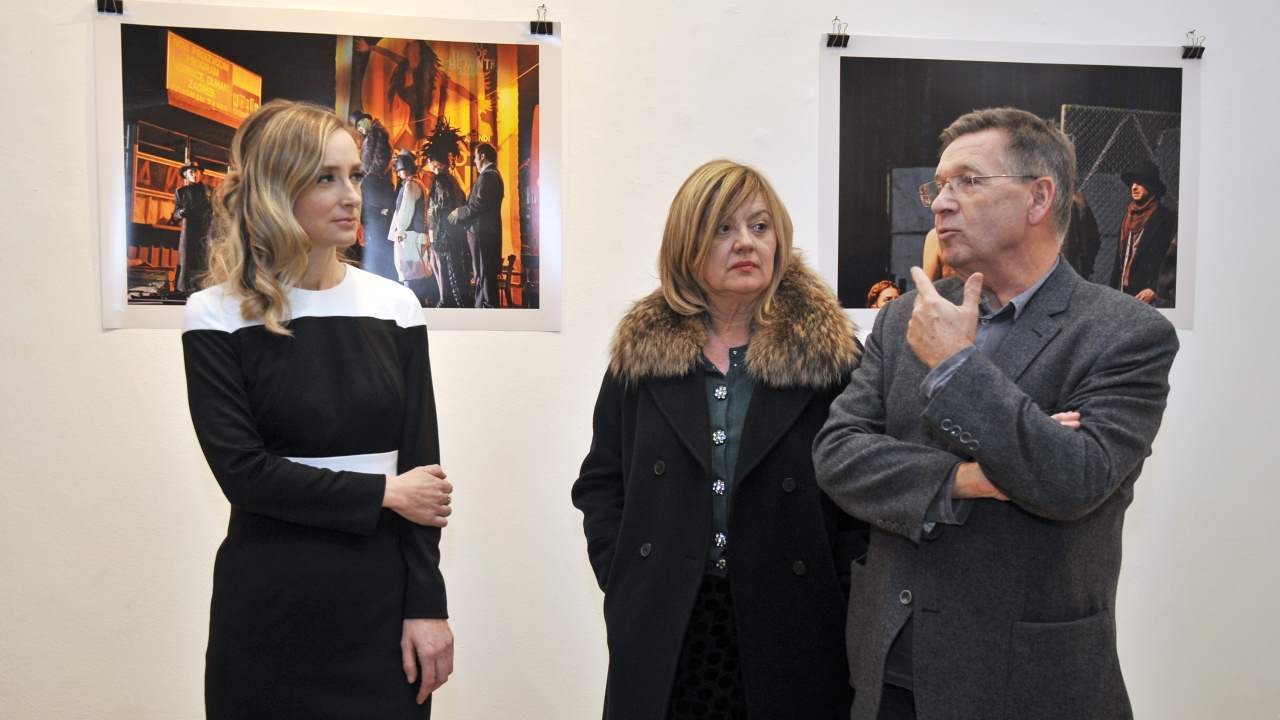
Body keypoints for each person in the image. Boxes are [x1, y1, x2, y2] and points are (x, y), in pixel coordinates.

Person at [813, 108, 1179, 720]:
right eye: (939, 185)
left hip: (1028, 681)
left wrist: (956, 366)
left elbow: (1073, 479)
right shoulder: (905, 317)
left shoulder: (1125, 333)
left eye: (968, 181)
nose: (941, 203)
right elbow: (838, 455)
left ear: (1039, 197)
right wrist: (964, 479)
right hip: (894, 668)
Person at [181, 100, 454, 718]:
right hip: (269, 610)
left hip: (383, 607)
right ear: (276, 191)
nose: (351, 195)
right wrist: (385, 492)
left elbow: (425, 477)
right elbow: (245, 475)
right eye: (325, 178)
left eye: (354, 175)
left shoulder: (395, 307)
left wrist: (428, 605)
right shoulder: (215, 315)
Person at [572, 160, 867, 720]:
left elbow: (861, 495)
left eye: (760, 226)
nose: (745, 243)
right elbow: (601, 481)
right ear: (688, 243)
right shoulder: (641, 355)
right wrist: (625, 577)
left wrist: (841, 593)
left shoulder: (831, 359)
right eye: (723, 228)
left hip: (794, 621)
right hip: (668, 621)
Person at [421, 123, 474, 308]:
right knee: (448, 271)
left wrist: (432, 210)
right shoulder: (451, 179)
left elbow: (444, 206)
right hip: (451, 234)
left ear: (436, 162)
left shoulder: (440, 180)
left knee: (443, 270)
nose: (428, 163)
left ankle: (446, 303)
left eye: (430, 160)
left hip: (443, 235)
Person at [1112, 159, 1178, 304]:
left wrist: (1155, 290)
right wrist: (1113, 289)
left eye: (1140, 183)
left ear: (1151, 186)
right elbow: (1120, 258)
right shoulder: (1128, 216)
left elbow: (1171, 261)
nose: (1134, 187)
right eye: (1132, 183)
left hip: (1147, 295)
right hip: (1123, 291)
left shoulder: (1164, 218)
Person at [448, 143, 504, 308]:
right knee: (483, 276)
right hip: (484, 234)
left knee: (484, 276)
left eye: (475, 157)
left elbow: (479, 204)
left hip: (482, 234)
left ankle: (485, 313)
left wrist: (459, 212)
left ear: (483, 156)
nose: (474, 160)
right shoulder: (492, 175)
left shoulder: (488, 176)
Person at [351, 111, 397, 281]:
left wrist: (367, 175)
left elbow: (380, 161)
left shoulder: (378, 135)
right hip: (375, 189)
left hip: (377, 189)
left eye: (361, 124)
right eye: (358, 127)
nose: (360, 128)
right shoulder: (372, 136)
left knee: (379, 237)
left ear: (366, 120)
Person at [390, 150, 434, 306]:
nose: (397, 172)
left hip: (409, 241)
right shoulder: (419, 184)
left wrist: (398, 228)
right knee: (417, 281)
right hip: (417, 240)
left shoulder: (410, 185)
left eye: (399, 169)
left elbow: (404, 218)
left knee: (411, 283)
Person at [171, 160, 213, 293]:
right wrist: (181, 213)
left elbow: (218, 210)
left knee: (204, 261)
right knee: (187, 262)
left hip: (205, 230)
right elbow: (175, 215)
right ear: (185, 175)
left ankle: (204, 291)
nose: (194, 174)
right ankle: (185, 291)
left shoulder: (210, 191)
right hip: (189, 232)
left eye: (197, 171)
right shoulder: (181, 192)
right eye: (191, 172)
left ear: (201, 173)